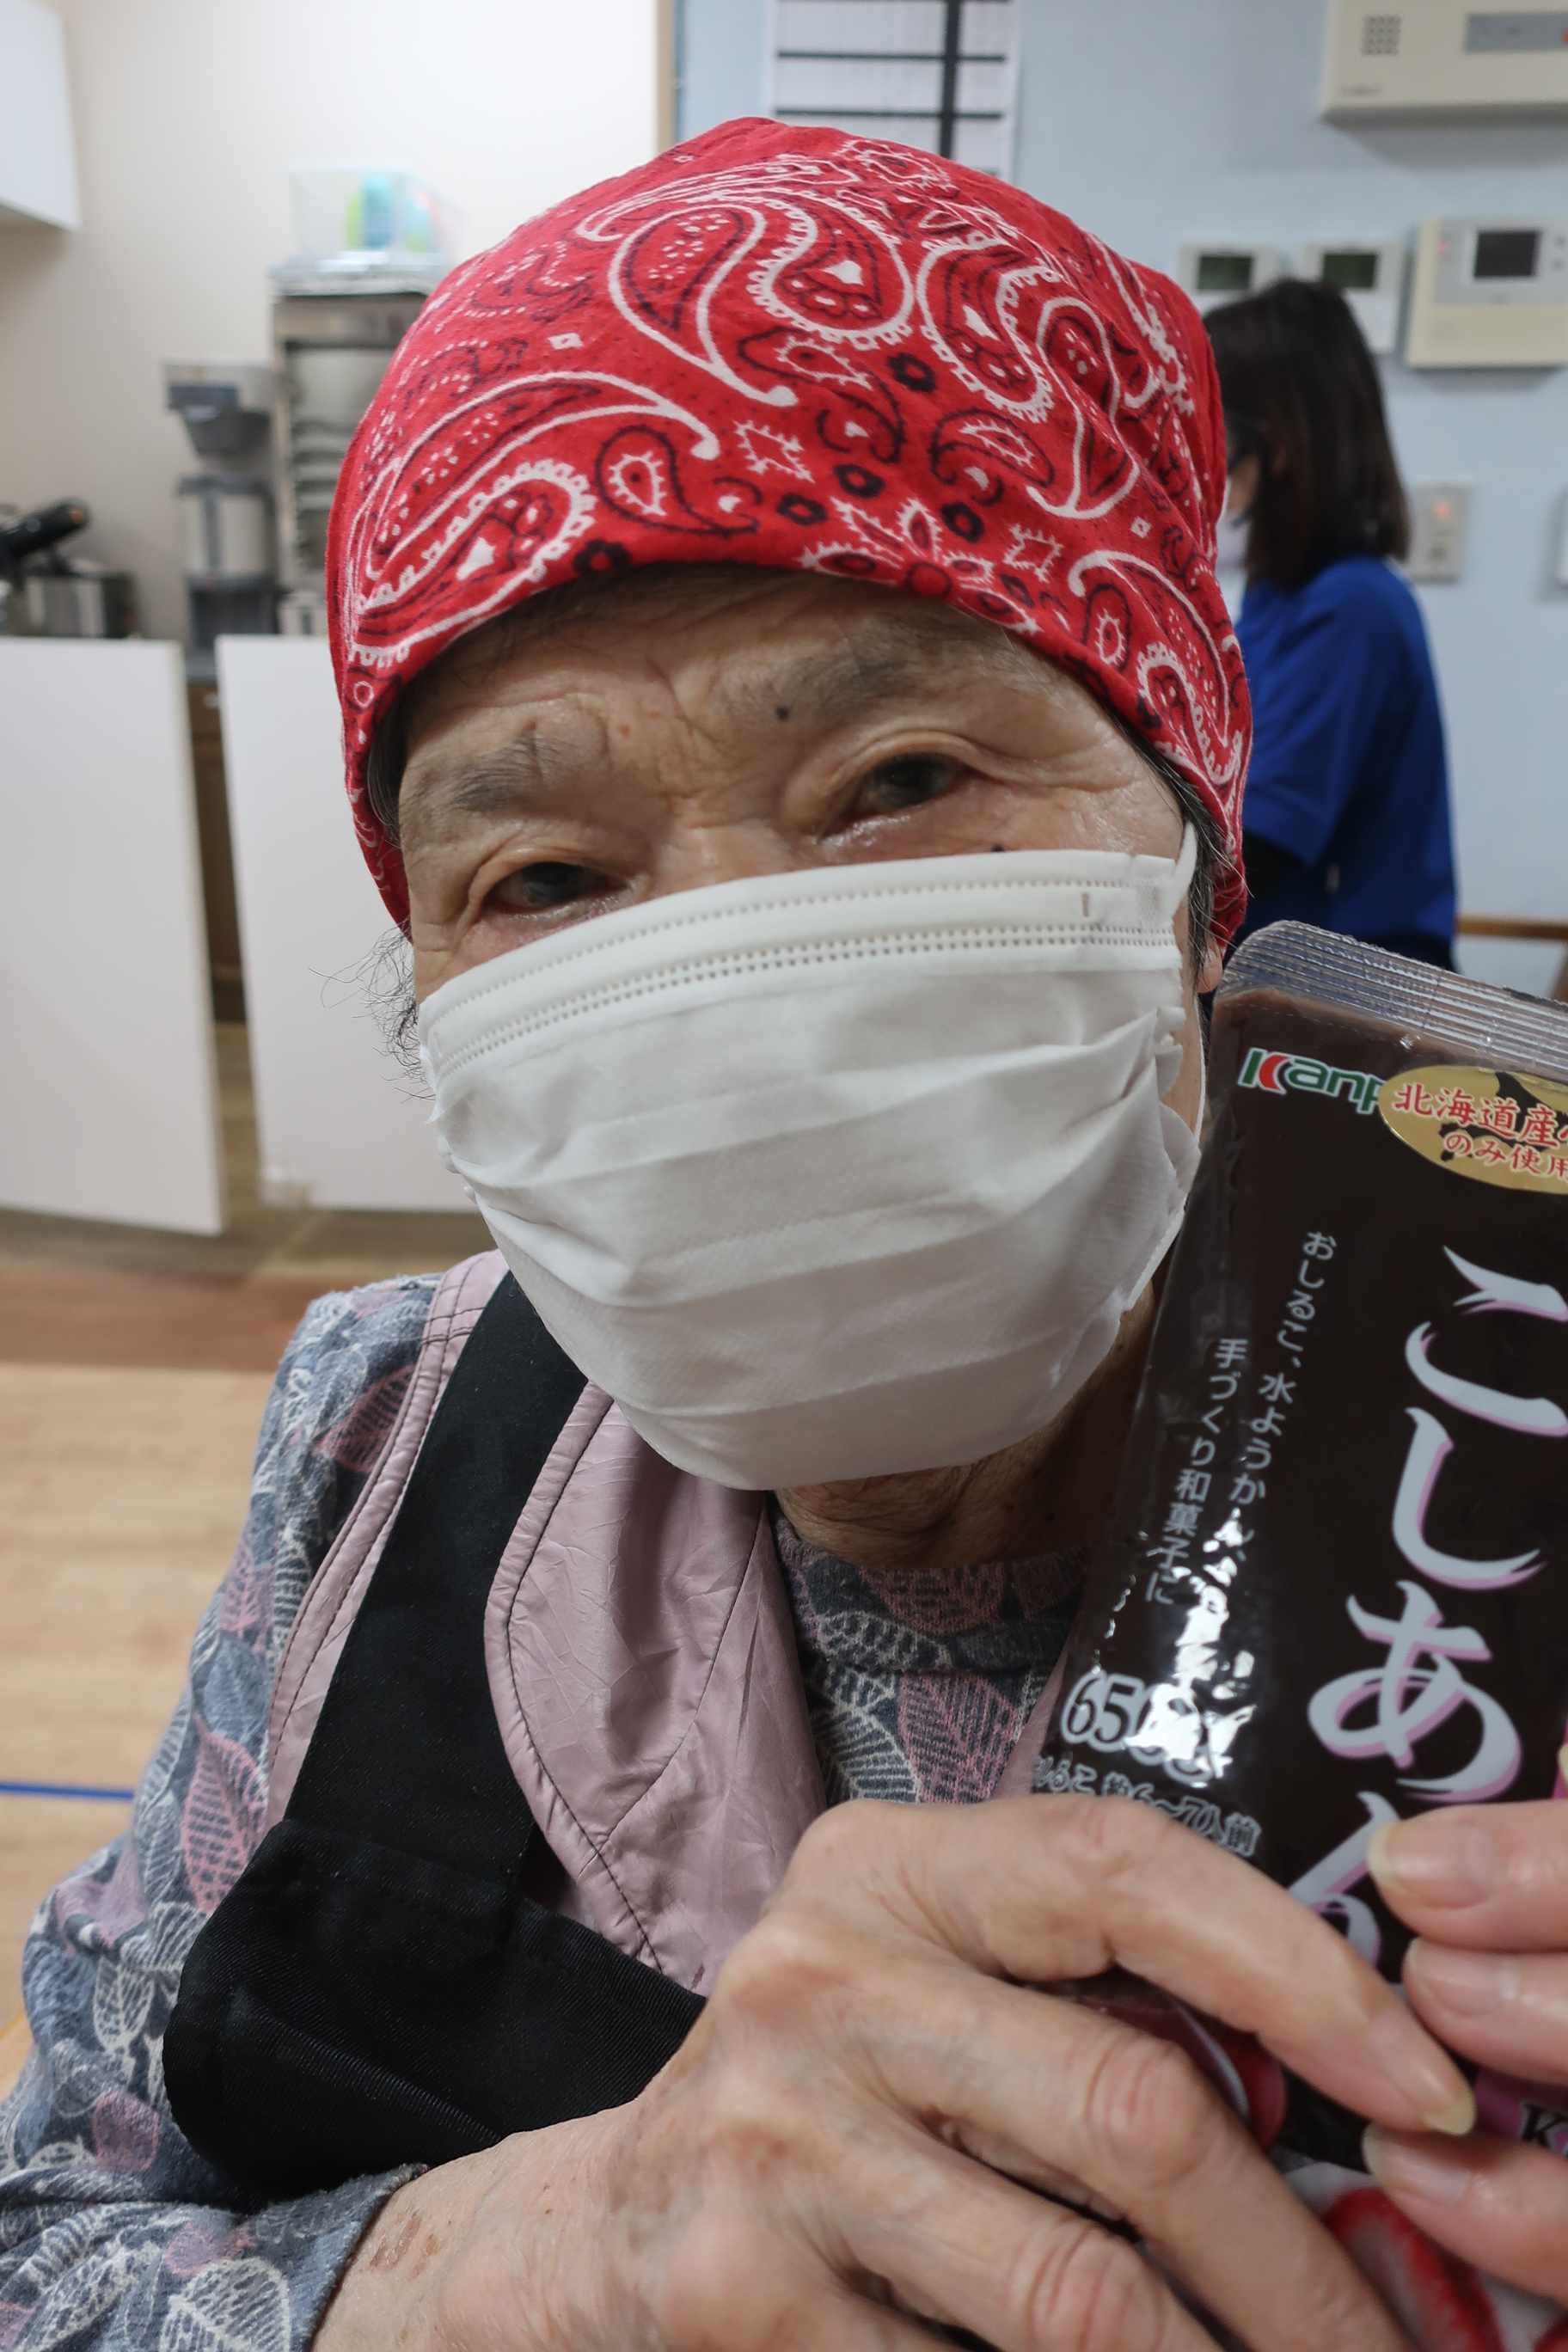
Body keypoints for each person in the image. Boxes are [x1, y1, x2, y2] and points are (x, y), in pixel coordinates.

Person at [3, 119, 1566, 2352]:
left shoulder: (1503, 1424)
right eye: (544, 879)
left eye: (900, 782)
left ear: (1194, 860)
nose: (738, 998)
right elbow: (48, 2241)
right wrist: (566, 2246)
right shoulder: (383, 1440)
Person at [1206, 278, 1459, 968]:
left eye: (1210, 434)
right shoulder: (1276, 597)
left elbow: (1258, 850)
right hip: (1280, 967)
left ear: (1275, 447)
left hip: (1350, 991)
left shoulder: (1352, 609)